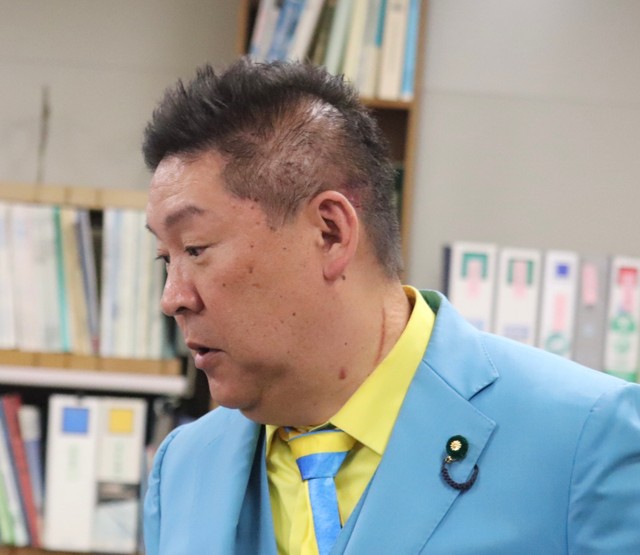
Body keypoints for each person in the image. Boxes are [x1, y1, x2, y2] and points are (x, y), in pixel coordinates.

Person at [142, 57, 640, 555]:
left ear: (330, 232)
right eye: (166, 258)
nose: (173, 299)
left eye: (196, 249)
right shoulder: (184, 467)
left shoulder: (584, 440)